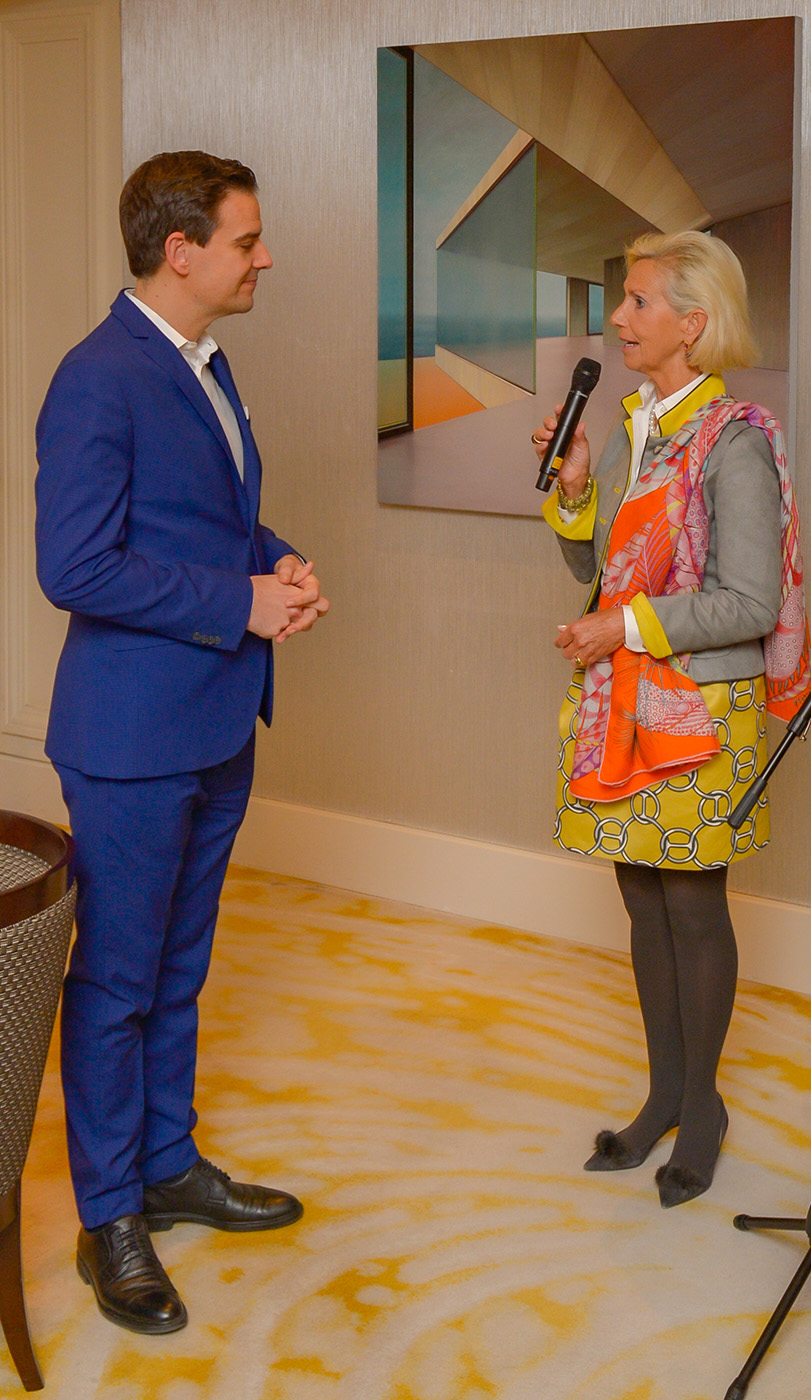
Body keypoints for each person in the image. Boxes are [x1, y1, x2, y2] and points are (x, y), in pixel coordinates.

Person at [34, 151, 330, 1333]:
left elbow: (202, 518)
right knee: (117, 980)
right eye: (247, 241)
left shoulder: (203, 362)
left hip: (213, 720)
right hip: (130, 735)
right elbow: (76, 565)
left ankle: (166, 1161)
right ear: (181, 251)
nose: (265, 258)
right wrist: (235, 602)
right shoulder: (96, 377)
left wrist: (273, 558)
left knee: (178, 967)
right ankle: (110, 1213)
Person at [534, 231, 811, 1208]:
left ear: (692, 324)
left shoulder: (734, 442)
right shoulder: (630, 428)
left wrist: (621, 626)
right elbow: (601, 570)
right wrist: (577, 490)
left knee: (692, 908)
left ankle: (702, 1109)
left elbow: (748, 601)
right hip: (624, 703)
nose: (619, 317)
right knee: (642, 901)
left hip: (700, 709)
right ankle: (661, 1092)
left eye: (639, 301)